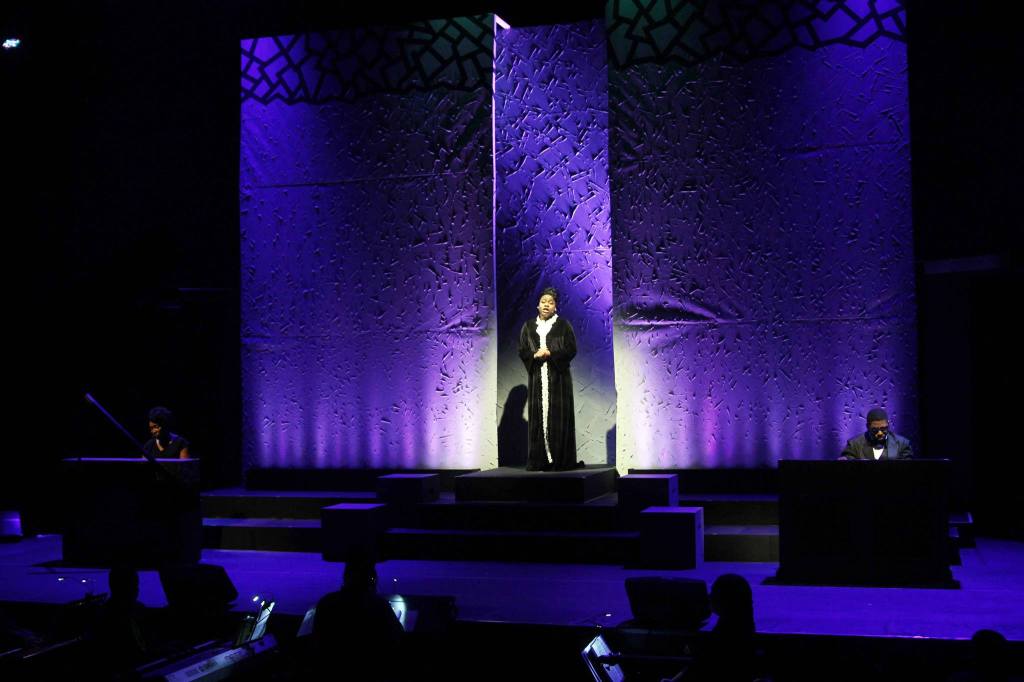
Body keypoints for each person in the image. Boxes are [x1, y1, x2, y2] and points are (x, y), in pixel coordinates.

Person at [517, 287, 583, 471]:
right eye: (543, 301)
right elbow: (522, 350)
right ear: (538, 305)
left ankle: (560, 459)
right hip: (537, 378)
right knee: (539, 416)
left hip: (558, 379)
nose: (546, 305)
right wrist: (535, 355)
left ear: (555, 307)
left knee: (558, 417)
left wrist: (551, 354)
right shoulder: (528, 326)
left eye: (551, 302)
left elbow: (571, 349)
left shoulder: (563, 325)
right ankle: (540, 460)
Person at [312, 557, 404, 681]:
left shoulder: (327, 602)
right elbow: (397, 637)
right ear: (371, 579)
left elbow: (317, 639)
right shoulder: (378, 604)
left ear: (346, 577)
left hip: (330, 671)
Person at [839, 407, 913, 460]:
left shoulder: (903, 444)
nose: (880, 433)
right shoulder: (854, 445)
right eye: (875, 430)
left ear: (888, 425)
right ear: (867, 427)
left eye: (883, 429)